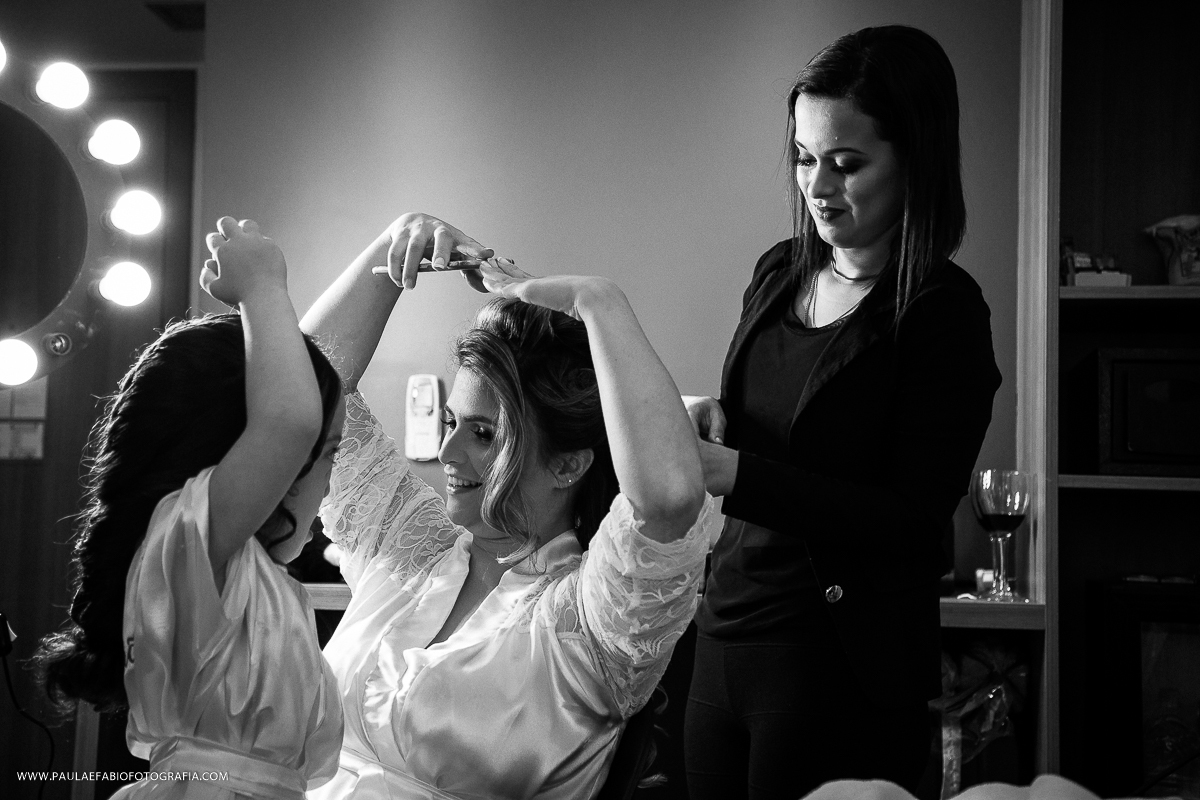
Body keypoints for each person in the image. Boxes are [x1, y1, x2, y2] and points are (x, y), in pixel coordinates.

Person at [681, 25, 1003, 798]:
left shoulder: (943, 315)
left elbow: (910, 519)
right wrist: (709, 415)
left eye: (846, 163)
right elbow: (771, 424)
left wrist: (739, 474)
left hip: (835, 664)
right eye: (802, 157)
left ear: (914, 160)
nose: (817, 186)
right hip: (724, 636)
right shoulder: (777, 272)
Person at [300, 212, 712, 799]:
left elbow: (669, 498)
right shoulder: (409, 543)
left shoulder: (592, 623)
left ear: (568, 463)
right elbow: (305, 395)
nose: (447, 452)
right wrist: (394, 250)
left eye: (485, 435)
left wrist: (599, 302)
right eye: (451, 423)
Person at [35, 217, 345, 799]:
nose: (330, 482)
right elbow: (290, 419)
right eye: (323, 453)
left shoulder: (243, 575)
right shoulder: (193, 546)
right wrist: (262, 285)